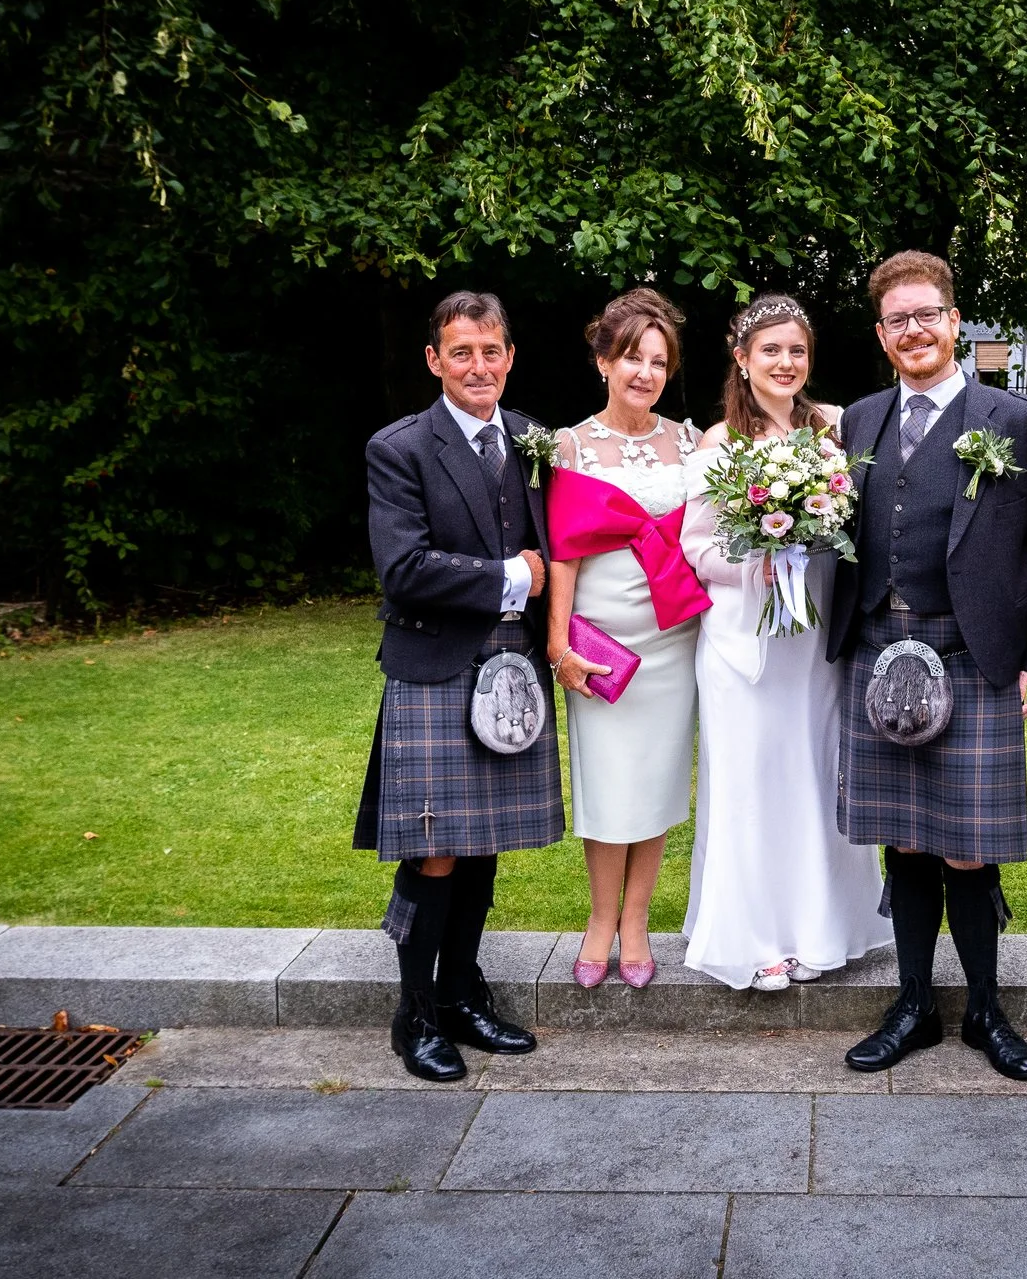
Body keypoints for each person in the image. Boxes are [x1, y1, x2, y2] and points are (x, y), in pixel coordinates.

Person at [828, 250, 1027, 1082]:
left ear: (955, 320)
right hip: (878, 650)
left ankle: (986, 1012)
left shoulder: (1019, 423)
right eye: (898, 319)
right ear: (881, 333)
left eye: (928, 313)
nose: (915, 330)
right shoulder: (855, 423)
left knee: (969, 847)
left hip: (972, 656)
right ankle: (912, 1007)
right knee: (903, 840)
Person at [356, 290, 561, 1082]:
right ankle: (415, 1014)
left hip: (516, 668)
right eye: (462, 352)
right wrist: (514, 575)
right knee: (436, 847)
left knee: (481, 845)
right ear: (435, 360)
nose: (480, 366)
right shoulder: (400, 447)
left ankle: (463, 992)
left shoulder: (536, 441)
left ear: (509, 357)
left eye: (492, 351)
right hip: (437, 667)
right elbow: (402, 570)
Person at [679, 294, 893, 991]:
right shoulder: (720, 442)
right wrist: (757, 561)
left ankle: (824, 928)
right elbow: (696, 548)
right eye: (770, 350)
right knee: (749, 778)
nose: (785, 362)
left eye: (796, 350)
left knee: (813, 771)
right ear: (742, 359)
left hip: (818, 637)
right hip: (745, 640)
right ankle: (756, 937)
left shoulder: (834, 428)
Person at [545, 288, 709, 990]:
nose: (644, 372)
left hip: (673, 641)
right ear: (603, 360)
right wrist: (558, 644)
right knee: (607, 786)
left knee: (659, 783)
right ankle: (598, 917)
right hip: (600, 644)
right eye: (631, 357)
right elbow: (562, 553)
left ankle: (637, 921)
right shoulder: (571, 444)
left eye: (658, 361)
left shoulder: (691, 442)